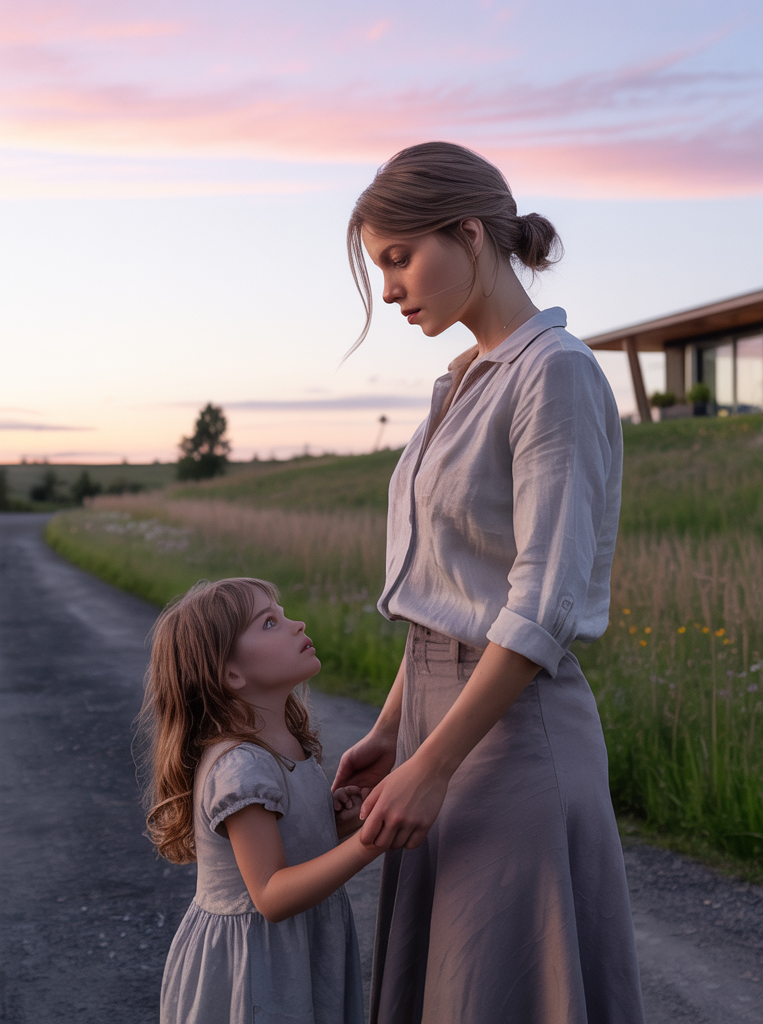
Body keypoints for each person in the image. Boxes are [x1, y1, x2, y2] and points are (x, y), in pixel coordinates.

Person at [335, 141, 645, 1023]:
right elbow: (446, 589)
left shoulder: (557, 373)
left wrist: (434, 763)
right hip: (441, 724)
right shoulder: (462, 381)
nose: (390, 288)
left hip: (511, 739)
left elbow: (540, 606)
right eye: (379, 266)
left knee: (497, 991)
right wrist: (397, 731)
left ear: (470, 232)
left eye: (399, 258)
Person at [141, 577, 383, 1024]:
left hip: (292, 952)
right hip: (255, 971)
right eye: (270, 622)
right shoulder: (241, 768)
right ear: (231, 674)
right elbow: (271, 894)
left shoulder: (285, 744)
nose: (297, 624)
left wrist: (335, 822)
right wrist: (371, 839)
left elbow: (288, 846)